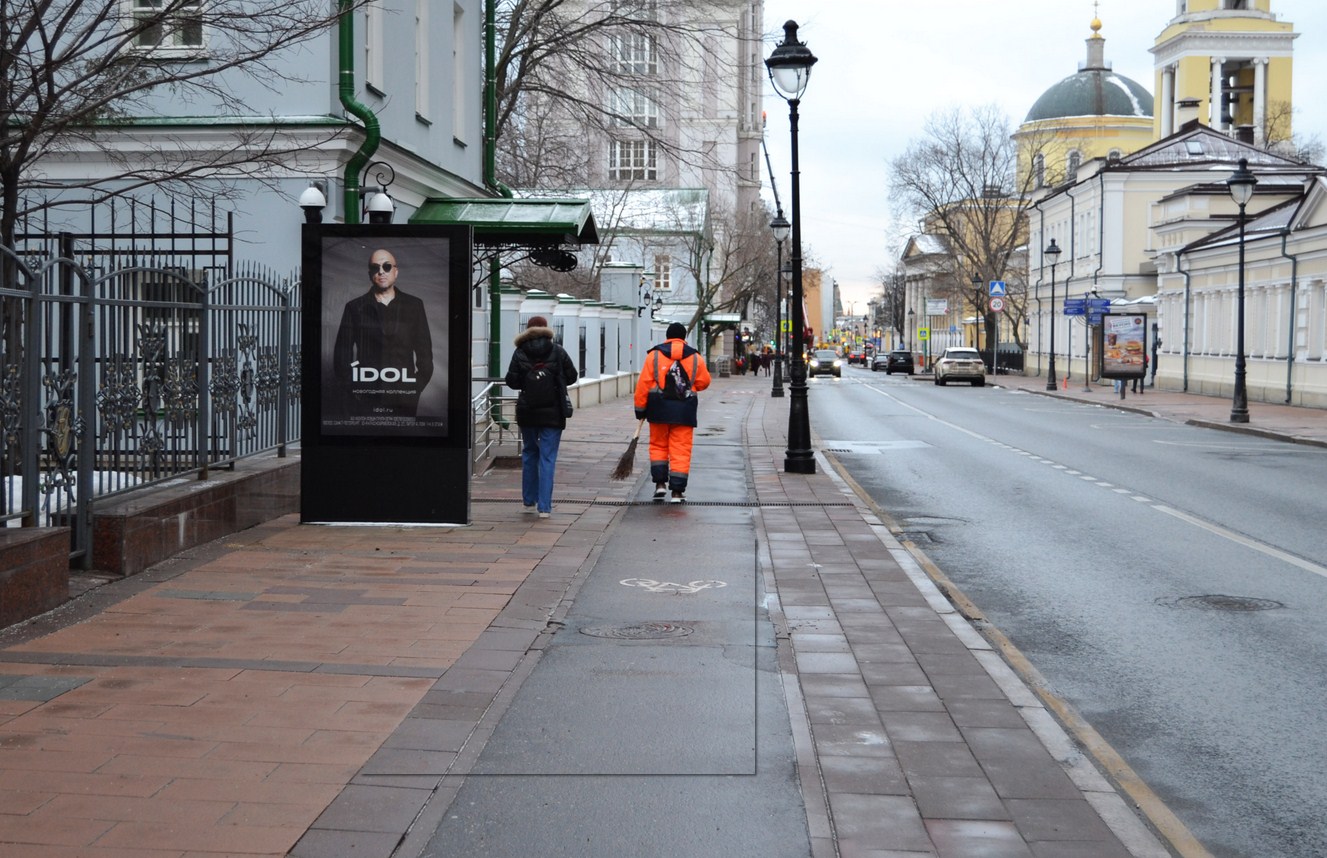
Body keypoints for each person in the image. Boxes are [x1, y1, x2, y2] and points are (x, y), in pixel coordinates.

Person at [332, 248, 434, 421]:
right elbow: (342, 354)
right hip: (366, 396)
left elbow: (425, 353)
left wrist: (414, 389)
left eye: (387, 266)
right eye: (375, 267)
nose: (381, 271)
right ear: (369, 273)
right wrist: (355, 389)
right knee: (370, 445)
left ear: (396, 271)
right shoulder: (355, 307)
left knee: (401, 444)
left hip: (404, 396)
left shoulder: (414, 305)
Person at [505, 316, 578, 518]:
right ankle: (544, 507)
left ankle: (529, 501)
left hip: (527, 410)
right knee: (548, 457)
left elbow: (511, 381)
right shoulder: (558, 351)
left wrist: (529, 381)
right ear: (546, 329)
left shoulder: (520, 352)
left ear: (527, 330)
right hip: (553, 411)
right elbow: (572, 376)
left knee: (529, 453)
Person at [634, 322, 712, 503]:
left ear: (667, 336)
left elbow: (644, 383)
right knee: (681, 450)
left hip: (658, 408)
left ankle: (660, 484)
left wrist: (640, 409)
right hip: (684, 410)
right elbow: (704, 382)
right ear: (684, 337)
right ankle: (677, 492)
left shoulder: (654, 355)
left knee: (658, 446)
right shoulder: (695, 358)